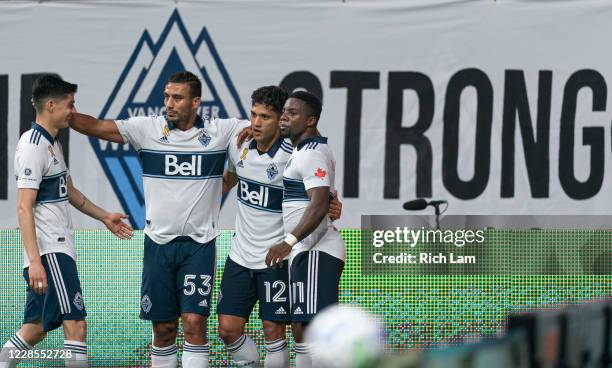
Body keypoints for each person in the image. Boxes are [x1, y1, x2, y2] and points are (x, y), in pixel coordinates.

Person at [67, 71, 250, 368]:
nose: (169, 103)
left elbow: (268, 126)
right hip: (158, 246)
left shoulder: (222, 131)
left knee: (193, 323)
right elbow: (99, 127)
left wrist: (253, 129)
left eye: (177, 97)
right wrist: (65, 114)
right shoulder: (147, 129)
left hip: (199, 246)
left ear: (196, 102)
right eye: (166, 97)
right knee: (163, 329)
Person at [0, 75, 133, 368]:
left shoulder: (52, 143)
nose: (73, 111)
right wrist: (35, 261)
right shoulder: (33, 145)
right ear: (51, 105)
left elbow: (70, 192)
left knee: (35, 329)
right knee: (77, 325)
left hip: (56, 250)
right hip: (51, 252)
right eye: (69, 105)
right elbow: (24, 207)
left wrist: (105, 217)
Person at [217, 86, 342, 367]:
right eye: (253, 115)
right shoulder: (239, 144)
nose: (257, 122)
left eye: (266, 117)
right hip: (240, 254)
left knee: (277, 331)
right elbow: (230, 179)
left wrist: (334, 203)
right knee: (227, 329)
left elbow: (320, 192)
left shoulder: (294, 152)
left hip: (276, 256)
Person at [266, 91, 346, 368]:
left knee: (313, 330)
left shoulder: (312, 154)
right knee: (301, 329)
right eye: (284, 112)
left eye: (292, 113)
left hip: (317, 249)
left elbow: (319, 203)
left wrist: (288, 241)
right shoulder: (302, 150)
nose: (283, 118)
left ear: (311, 120)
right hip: (306, 249)